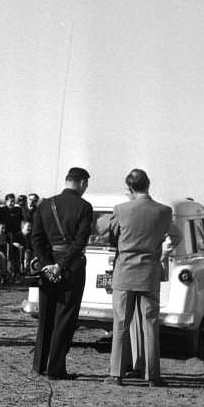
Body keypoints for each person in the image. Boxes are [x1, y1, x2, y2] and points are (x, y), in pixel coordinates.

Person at [107, 168, 175, 387]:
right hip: (149, 273)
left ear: (129, 187)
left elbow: (108, 231)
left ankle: (116, 374)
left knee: (121, 323)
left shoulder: (121, 209)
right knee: (150, 323)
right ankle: (153, 375)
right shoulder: (163, 211)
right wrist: (165, 252)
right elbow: (177, 236)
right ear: (148, 184)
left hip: (125, 272)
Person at [28, 166, 94, 379]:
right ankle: (56, 368)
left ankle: (39, 365)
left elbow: (36, 238)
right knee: (65, 317)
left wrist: (48, 264)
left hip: (48, 267)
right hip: (71, 267)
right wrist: (62, 265)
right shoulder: (84, 207)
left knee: (45, 315)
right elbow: (80, 241)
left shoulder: (45, 204)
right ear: (82, 183)